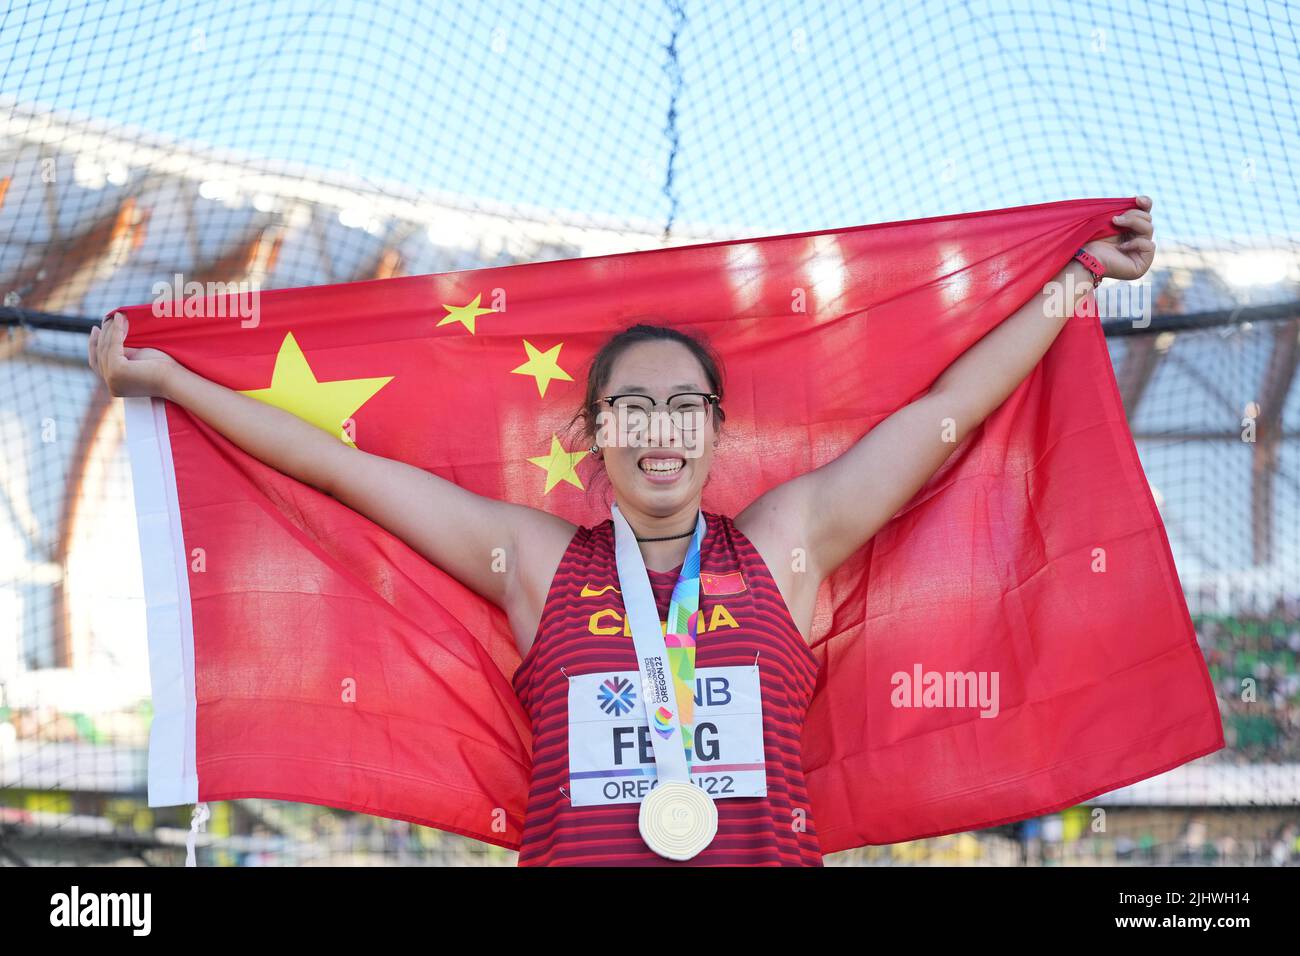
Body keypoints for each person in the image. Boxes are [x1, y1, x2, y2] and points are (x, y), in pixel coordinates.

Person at [87, 197, 1156, 865]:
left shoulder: (787, 542)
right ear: (595, 430)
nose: (658, 430)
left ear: (713, 430)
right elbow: (338, 466)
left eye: (682, 407)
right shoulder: (533, 560)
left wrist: (1076, 281)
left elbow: (943, 417)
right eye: (630, 408)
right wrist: (173, 378)